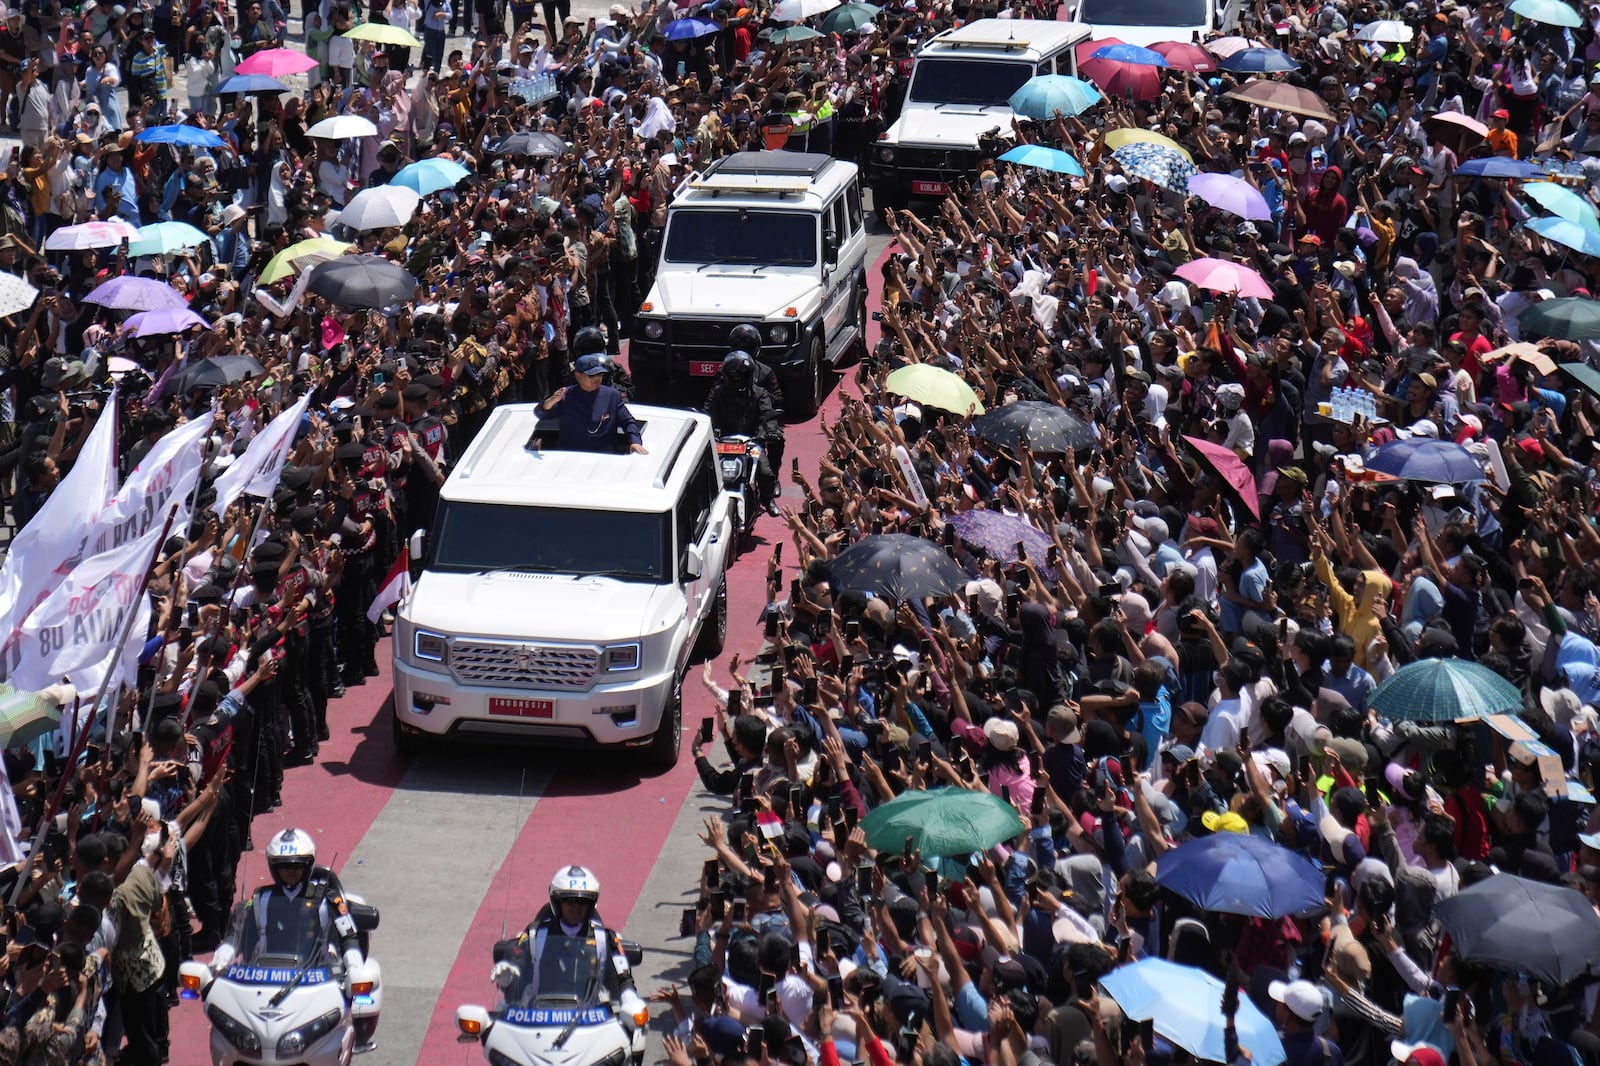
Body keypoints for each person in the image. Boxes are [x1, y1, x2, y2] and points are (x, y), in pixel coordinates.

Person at [489, 866, 645, 1014]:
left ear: (591, 905)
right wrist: (509, 972)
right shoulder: (534, 935)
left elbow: (622, 978)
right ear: (557, 903)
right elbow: (518, 957)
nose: (576, 908)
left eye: (583, 903)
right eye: (570, 902)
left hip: (592, 1021)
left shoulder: (606, 939)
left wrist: (629, 998)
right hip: (538, 1017)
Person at [210, 828, 366, 974]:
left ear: (308, 866)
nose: (291, 871)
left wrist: (355, 968)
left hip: (319, 981)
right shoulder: (258, 901)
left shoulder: (329, 900)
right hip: (261, 978)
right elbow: (234, 937)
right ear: (274, 867)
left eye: (297, 866)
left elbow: (349, 938)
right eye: (284, 866)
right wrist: (219, 962)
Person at [703, 350, 783, 516]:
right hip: (723, 442)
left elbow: (768, 415)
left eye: (742, 375)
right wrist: (709, 431)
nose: (738, 379)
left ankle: (767, 499)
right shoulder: (718, 392)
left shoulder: (760, 394)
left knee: (765, 473)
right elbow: (707, 414)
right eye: (734, 375)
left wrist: (768, 432)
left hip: (752, 442)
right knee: (704, 471)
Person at [540, 352, 648, 454]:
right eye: (591, 376)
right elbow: (542, 415)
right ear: (578, 376)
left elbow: (628, 421)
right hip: (570, 456)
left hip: (603, 456)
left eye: (599, 375)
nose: (596, 378)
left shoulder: (612, 396)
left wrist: (635, 442)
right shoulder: (565, 395)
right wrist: (549, 402)